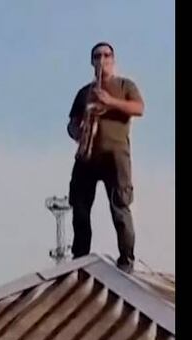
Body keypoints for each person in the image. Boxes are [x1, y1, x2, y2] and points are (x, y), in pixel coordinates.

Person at [67, 41, 144, 273]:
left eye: (106, 55)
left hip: (115, 155)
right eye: (97, 56)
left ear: (113, 59)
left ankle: (126, 261)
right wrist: (77, 132)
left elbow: (139, 108)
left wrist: (110, 102)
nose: (102, 59)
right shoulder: (84, 92)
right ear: (92, 62)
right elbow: (71, 124)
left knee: (120, 206)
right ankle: (80, 259)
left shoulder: (124, 85)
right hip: (87, 156)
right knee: (80, 207)